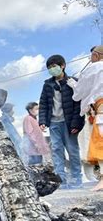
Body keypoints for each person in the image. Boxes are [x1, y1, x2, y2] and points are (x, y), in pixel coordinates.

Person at [39, 54, 85, 189]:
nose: (52, 69)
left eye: (54, 66)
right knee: (56, 149)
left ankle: (76, 178)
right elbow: (43, 104)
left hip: (69, 122)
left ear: (62, 66)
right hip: (54, 122)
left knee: (72, 149)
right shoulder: (47, 85)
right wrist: (42, 120)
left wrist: (77, 123)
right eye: (49, 68)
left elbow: (78, 104)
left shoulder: (72, 82)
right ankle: (61, 180)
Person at [68, 45, 103, 191]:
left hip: (101, 107)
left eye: (91, 56)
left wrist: (73, 83)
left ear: (96, 55)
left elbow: (79, 93)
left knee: (100, 141)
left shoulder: (95, 68)